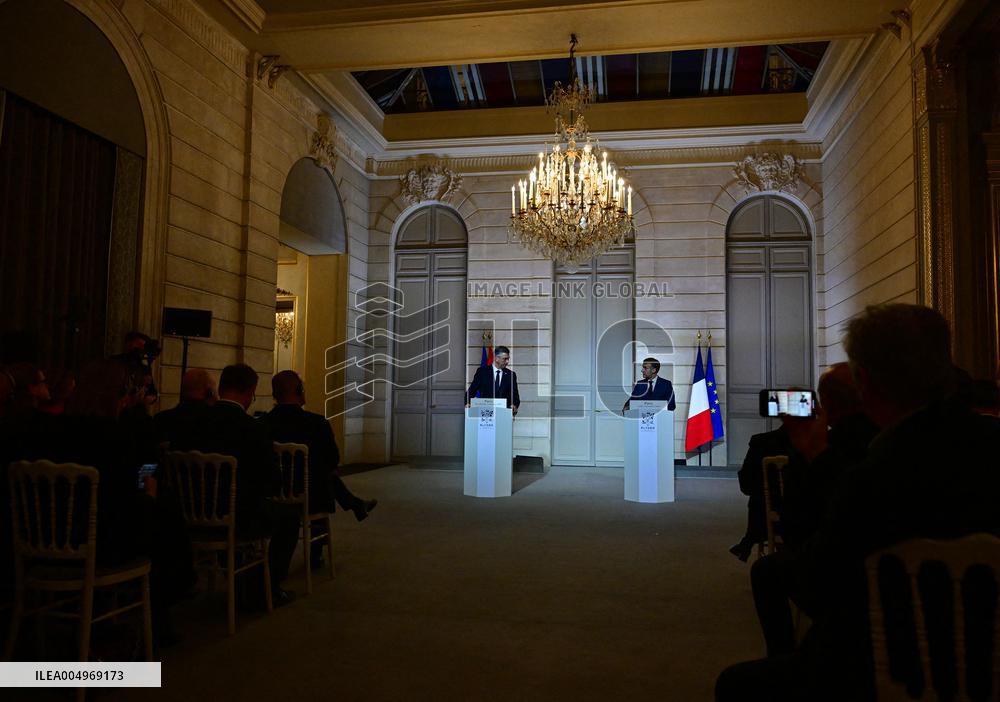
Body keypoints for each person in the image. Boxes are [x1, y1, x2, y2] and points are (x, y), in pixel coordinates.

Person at [716, 304, 1000, 702]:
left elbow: (817, 585)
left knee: (736, 685)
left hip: (887, 667)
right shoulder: (988, 444)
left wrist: (818, 462)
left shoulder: (876, 476)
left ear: (865, 382)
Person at [163, 363, 299, 607]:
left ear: (220, 388)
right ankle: (267, 588)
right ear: (250, 391)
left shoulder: (188, 423)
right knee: (288, 515)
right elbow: (271, 481)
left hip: (185, 515)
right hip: (238, 516)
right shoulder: (252, 428)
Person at [465, 345, 520, 415]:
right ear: (497, 358)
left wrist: (514, 405)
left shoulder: (511, 375)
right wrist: (467, 403)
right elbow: (471, 391)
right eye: (505, 359)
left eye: (508, 359)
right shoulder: (482, 372)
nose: (507, 362)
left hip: (504, 414)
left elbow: (515, 396)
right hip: (485, 414)